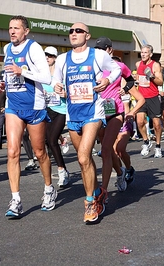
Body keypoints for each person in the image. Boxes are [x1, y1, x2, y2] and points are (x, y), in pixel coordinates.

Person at [53, 22, 121, 223]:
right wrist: (58, 88)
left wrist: (108, 81)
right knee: (84, 163)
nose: (73, 33)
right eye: (71, 31)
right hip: (73, 114)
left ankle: (90, 202)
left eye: (78, 31)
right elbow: (56, 81)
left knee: (83, 157)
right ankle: (97, 192)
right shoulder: (62, 59)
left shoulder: (99, 56)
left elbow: (116, 70)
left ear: (87, 35)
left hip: (94, 111)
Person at [3, 15, 56, 217]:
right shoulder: (7, 49)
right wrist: (3, 83)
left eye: (17, 28)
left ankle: (49, 188)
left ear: (25, 31)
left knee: (40, 151)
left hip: (34, 105)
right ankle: (16, 200)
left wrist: (22, 71)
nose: (12, 31)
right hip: (13, 106)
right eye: (10, 28)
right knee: (12, 152)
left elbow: (46, 77)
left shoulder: (33, 48)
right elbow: (9, 74)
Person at [93, 37, 137, 195]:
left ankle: (103, 191)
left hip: (114, 110)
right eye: (97, 50)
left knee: (106, 149)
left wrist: (125, 90)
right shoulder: (92, 66)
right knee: (108, 149)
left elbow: (131, 81)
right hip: (97, 111)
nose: (100, 53)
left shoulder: (119, 66)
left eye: (103, 49)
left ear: (109, 50)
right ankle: (120, 173)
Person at [42, 46, 70, 188]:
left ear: (55, 58)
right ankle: (63, 169)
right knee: (48, 141)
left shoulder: (61, 75)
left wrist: (63, 94)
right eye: (45, 55)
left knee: (52, 140)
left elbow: (69, 92)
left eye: (50, 56)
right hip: (46, 110)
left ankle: (61, 171)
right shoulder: (43, 75)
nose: (47, 58)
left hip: (60, 110)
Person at [135, 44, 164, 158]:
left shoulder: (155, 65)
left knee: (157, 124)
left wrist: (151, 76)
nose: (143, 54)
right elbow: (138, 78)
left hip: (153, 97)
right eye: (142, 52)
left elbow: (160, 82)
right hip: (141, 97)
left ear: (150, 54)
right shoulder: (138, 64)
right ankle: (146, 141)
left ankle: (158, 146)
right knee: (139, 122)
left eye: (146, 52)